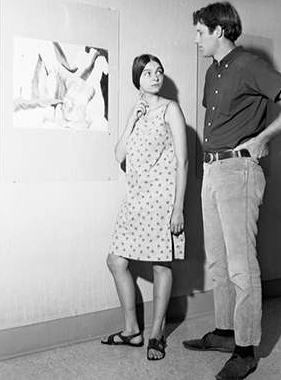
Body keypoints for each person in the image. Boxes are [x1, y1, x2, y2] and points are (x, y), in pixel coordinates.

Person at [183, 2, 281, 380]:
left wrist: (264, 138)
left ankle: (246, 350)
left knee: (242, 266)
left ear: (219, 31)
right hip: (212, 172)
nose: (196, 40)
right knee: (219, 263)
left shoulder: (251, 65)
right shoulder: (213, 72)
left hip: (238, 171)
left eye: (199, 32)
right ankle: (226, 332)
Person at [101, 54, 188, 361]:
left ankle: (155, 335)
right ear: (137, 78)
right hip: (135, 200)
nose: (155, 76)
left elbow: (183, 161)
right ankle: (131, 331)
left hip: (162, 200)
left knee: (162, 265)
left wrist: (178, 209)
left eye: (159, 71)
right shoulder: (135, 111)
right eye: (148, 72)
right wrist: (130, 121)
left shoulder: (171, 109)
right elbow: (118, 154)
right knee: (116, 261)